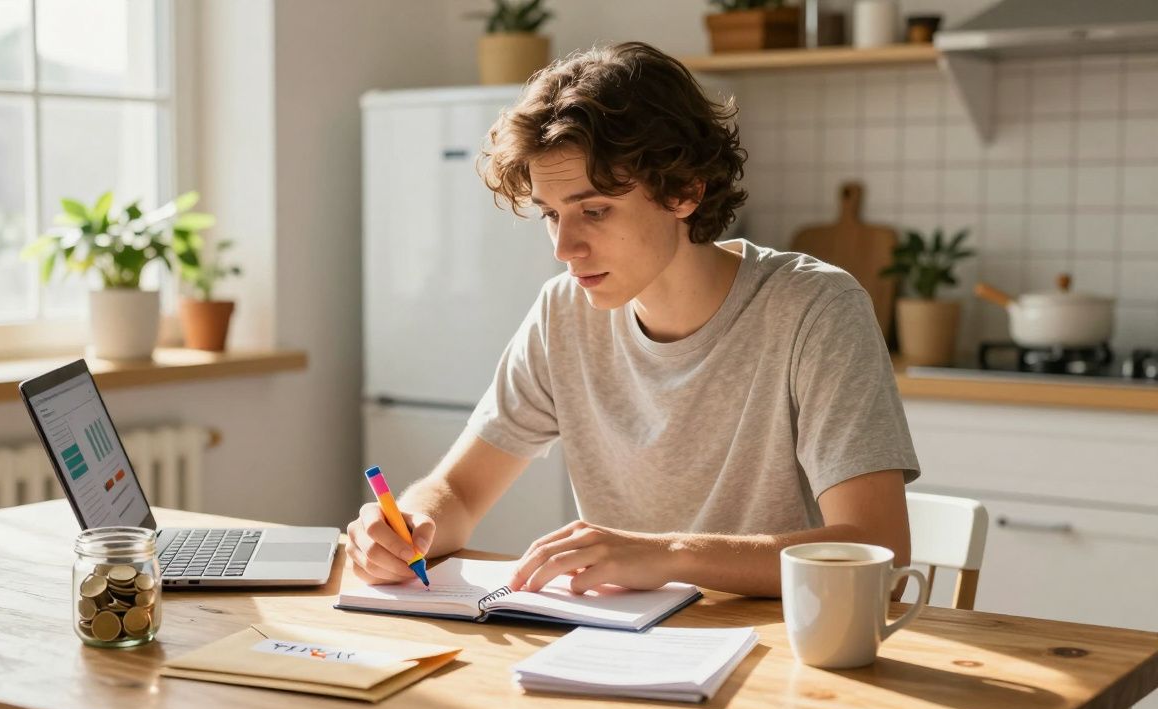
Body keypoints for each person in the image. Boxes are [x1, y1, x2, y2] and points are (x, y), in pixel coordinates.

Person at [346, 41, 920, 598]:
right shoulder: (562, 312)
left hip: (779, 651)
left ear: (684, 193)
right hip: (618, 649)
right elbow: (460, 491)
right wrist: (409, 526)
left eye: (594, 210)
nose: (564, 248)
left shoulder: (815, 309)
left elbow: (878, 546)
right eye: (551, 215)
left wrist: (665, 554)